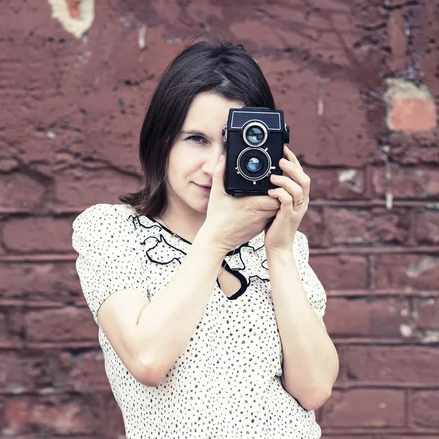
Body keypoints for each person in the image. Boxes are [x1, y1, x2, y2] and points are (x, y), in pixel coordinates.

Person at [72, 39, 339, 439]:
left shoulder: (280, 246)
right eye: (196, 139)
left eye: (233, 144)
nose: (215, 166)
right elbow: (147, 359)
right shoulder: (110, 232)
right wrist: (216, 238)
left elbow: (314, 389)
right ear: (162, 140)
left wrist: (280, 251)